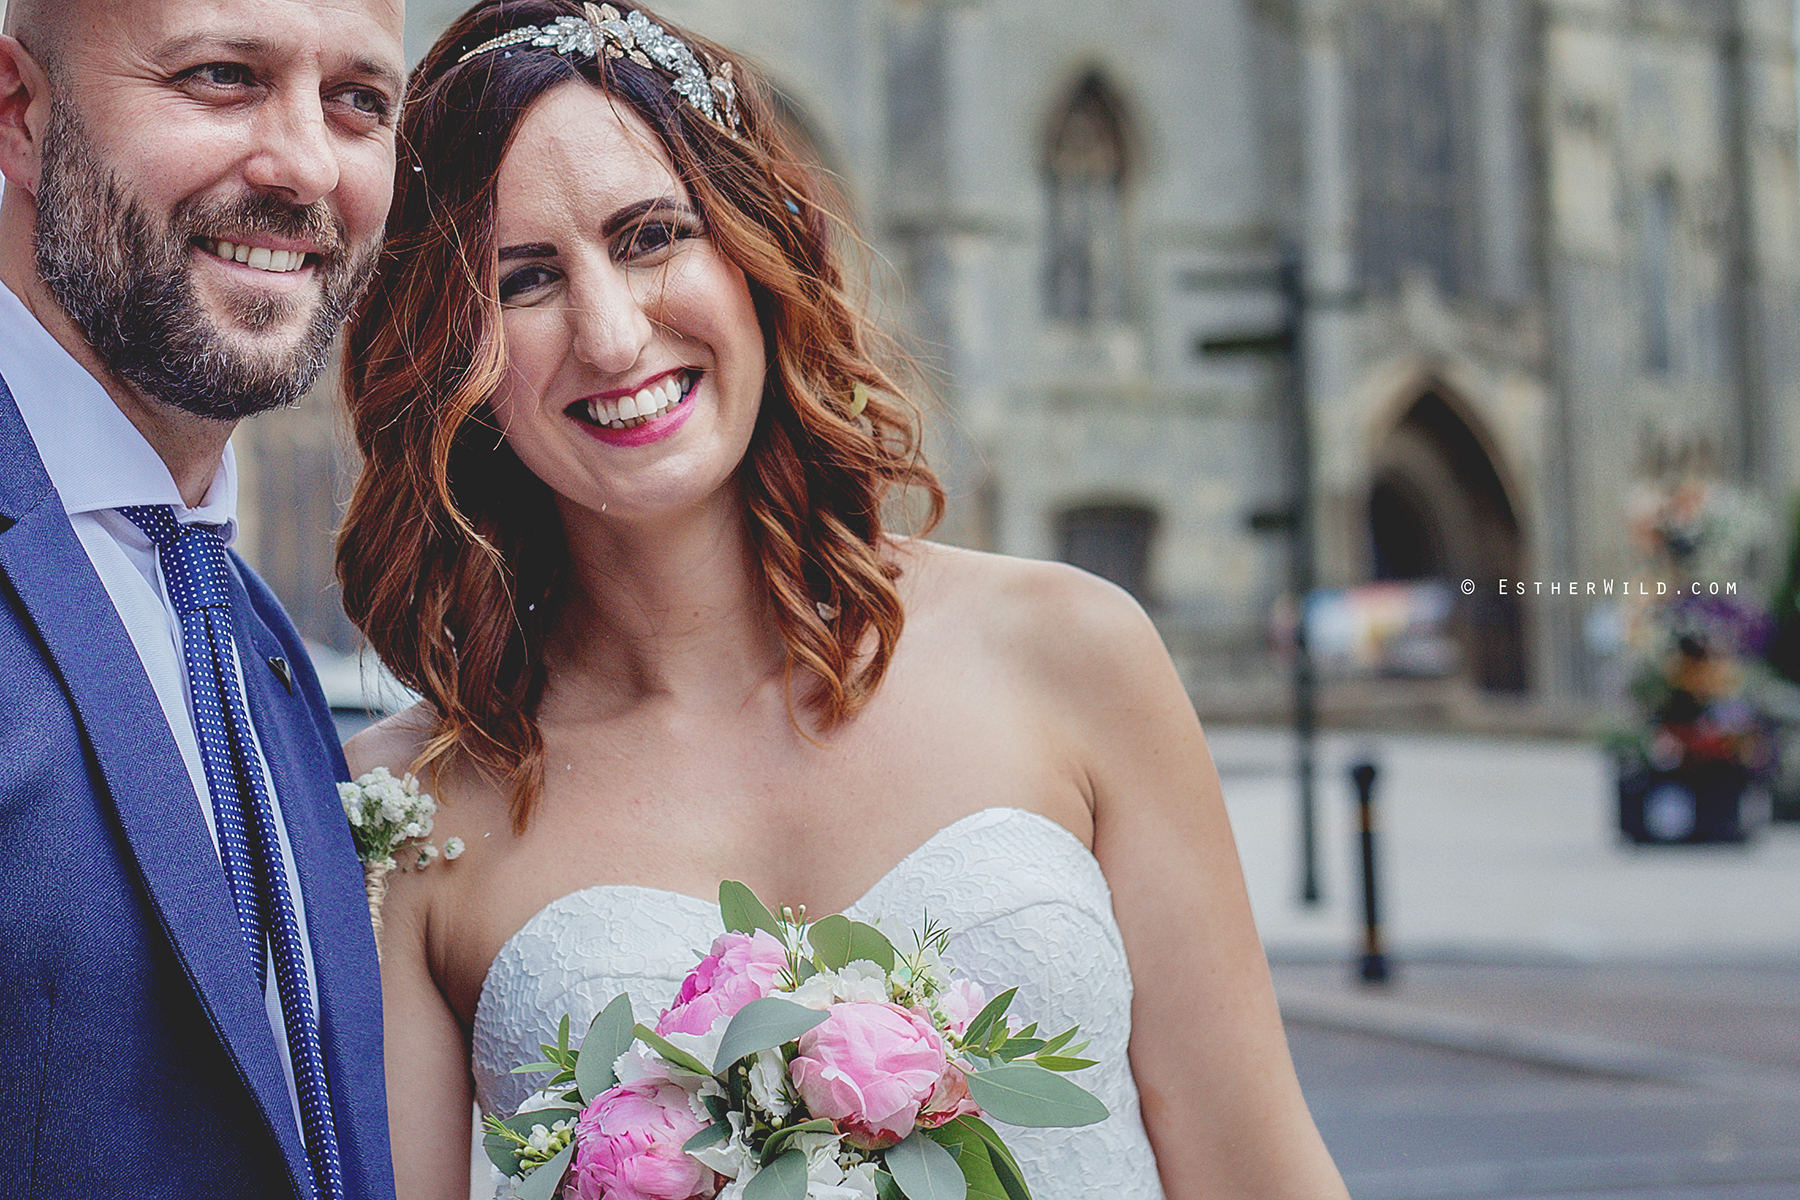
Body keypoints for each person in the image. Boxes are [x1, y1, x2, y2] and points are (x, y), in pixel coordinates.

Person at [339, 3, 1349, 1197]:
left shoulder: (1074, 655)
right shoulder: (405, 819)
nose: (611, 335)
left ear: (759, 248)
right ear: (449, 349)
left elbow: (1260, 1175)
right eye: (524, 280)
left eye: (653, 234)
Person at [0, 0, 406, 1195]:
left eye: (359, 102)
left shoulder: (252, 639)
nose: (304, 165)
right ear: (19, 112)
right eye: (223, 77)